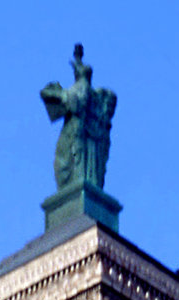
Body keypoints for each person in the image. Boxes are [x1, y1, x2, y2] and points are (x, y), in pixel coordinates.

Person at [40, 45, 117, 191]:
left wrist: (58, 95)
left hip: (76, 135)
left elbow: (76, 104)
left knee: (65, 164)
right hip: (78, 134)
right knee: (66, 165)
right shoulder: (88, 91)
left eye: (76, 70)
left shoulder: (83, 88)